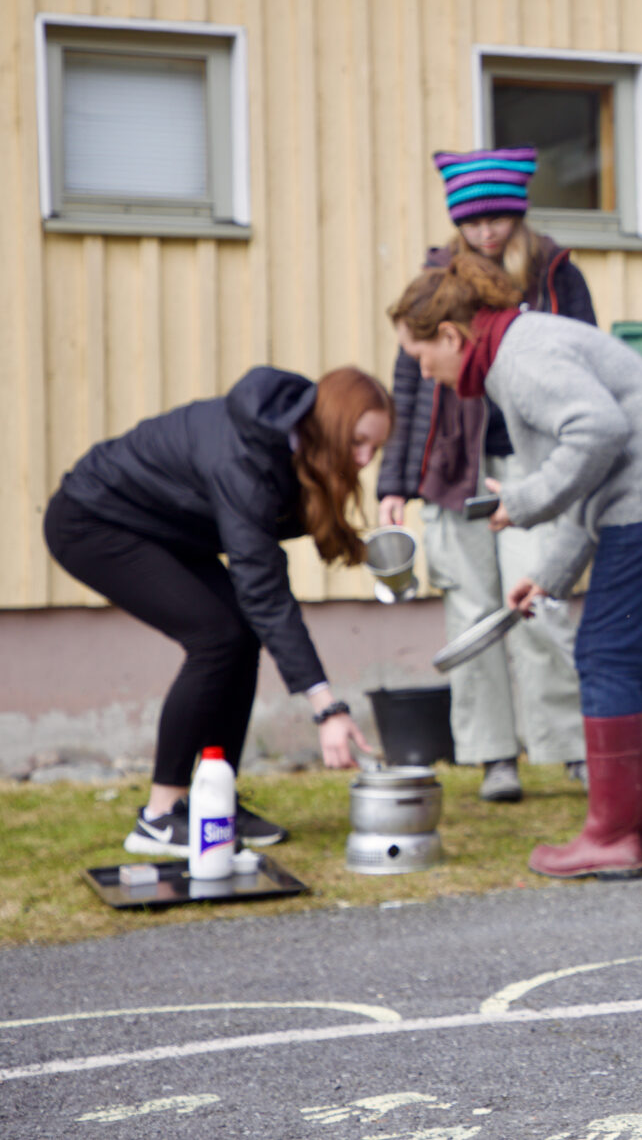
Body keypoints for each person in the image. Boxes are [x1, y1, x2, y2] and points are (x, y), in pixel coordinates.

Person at [389, 256, 642, 881]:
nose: (428, 375)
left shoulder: (519, 357)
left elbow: (597, 431)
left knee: (606, 659)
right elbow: (595, 471)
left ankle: (609, 837)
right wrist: (551, 572)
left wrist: (521, 500)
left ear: (450, 334)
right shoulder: (529, 341)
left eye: (422, 358)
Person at [44, 367, 386, 856]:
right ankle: (161, 818)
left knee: (238, 634)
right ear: (328, 427)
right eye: (357, 443)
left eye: (375, 448)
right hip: (93, 521)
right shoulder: (244, 459)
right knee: (215, 637)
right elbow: (265, 590)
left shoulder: (291, 441)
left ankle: (214, 799)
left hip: (163, 526)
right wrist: (325, 707)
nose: (364, 459)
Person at [377, 146, 597, 803]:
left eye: (500, 218)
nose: (488, 233)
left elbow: (583, 358)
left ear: (518, 212)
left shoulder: (556, 272)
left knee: (539, 602)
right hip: (454, 467)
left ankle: (570, 746)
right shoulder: (435, 279)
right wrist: (395, 480)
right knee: (470, 609)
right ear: (458, 223)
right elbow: (410, 381)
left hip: (536, 464)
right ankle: (492, 753)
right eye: (474, 222)